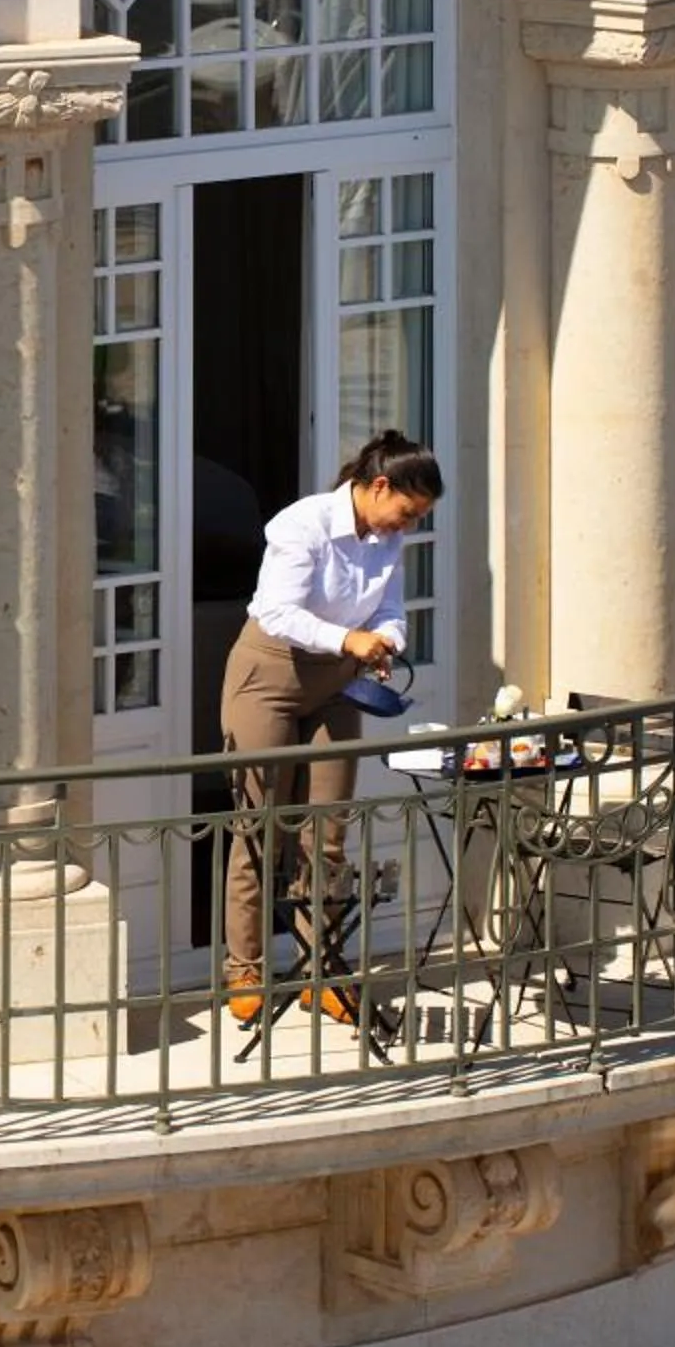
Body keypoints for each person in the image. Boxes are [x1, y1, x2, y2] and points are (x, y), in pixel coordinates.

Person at [219, 429, 443, 1025]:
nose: (409, 525)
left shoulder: (387, 539)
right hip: (270, 674)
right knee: (259, 823)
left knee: (327, 832)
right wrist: (348, 638)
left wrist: (386, 639)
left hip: (337, 681)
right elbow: (277, 611)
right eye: (408, 512)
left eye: (418, 518)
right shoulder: (304, 524)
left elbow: (390, 609)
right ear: (379, 486)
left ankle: (321, 969)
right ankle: (245, 966)